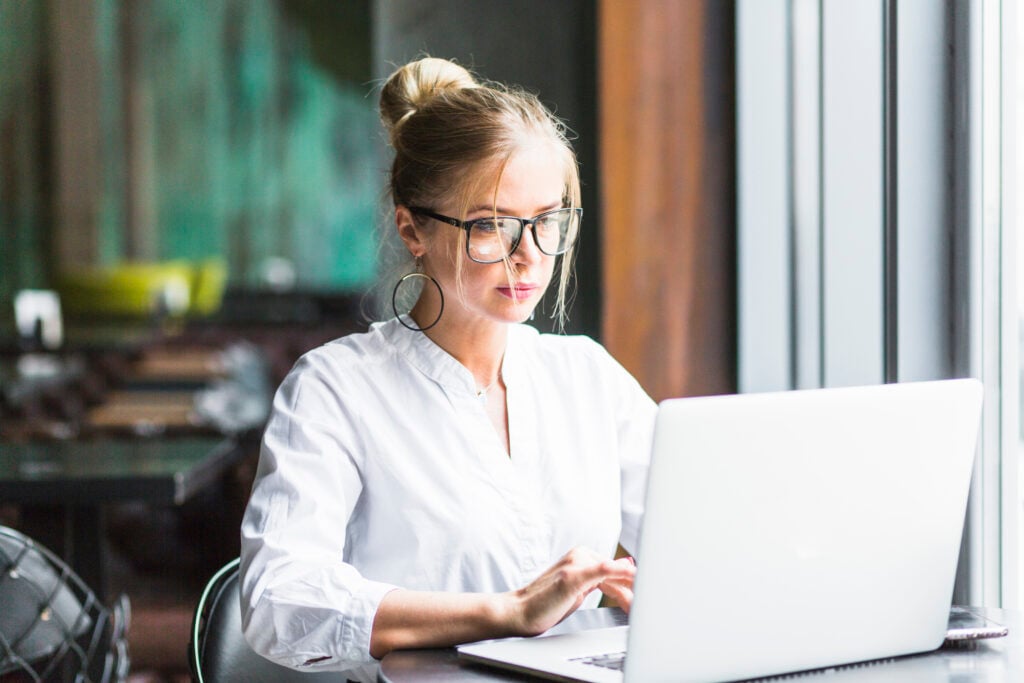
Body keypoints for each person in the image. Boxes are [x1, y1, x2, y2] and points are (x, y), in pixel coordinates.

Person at [239, 56, 657, 676]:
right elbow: (279, 602)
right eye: (490, 226)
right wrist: (506, 611)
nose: (528, 257)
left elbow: (701, 541)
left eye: (547, 222)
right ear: (413, 230)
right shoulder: (336, 388)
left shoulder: (586, 377)